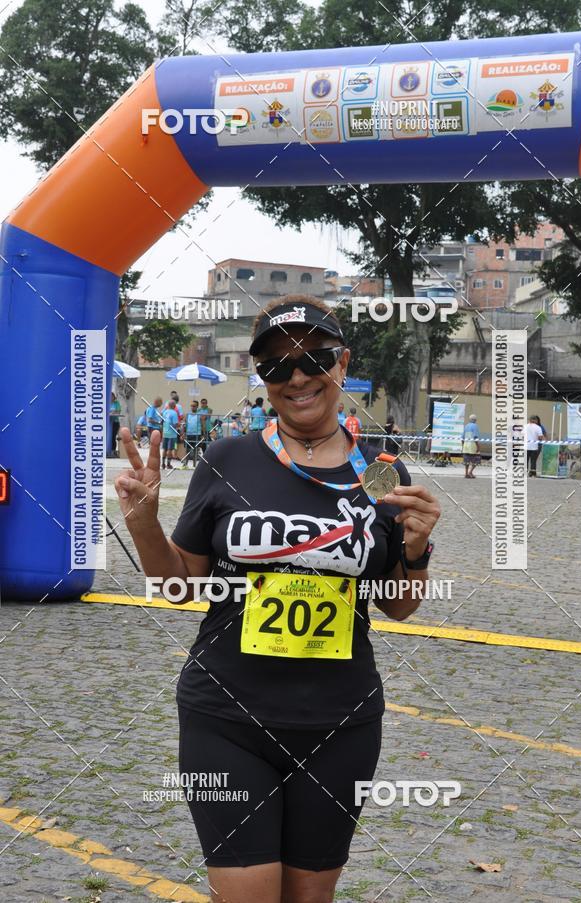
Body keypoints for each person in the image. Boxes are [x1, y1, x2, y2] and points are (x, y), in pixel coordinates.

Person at [115, 294, 440, 903]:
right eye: (275, 365)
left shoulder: (382, 473)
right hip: (226, 719)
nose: (296, 377)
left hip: (339, 724)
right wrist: (142, 522)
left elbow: (398, 604)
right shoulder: (228, 458)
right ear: (261, 377)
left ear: (342, 363)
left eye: (313, 359)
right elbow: (180, 587)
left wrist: (417, 550)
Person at [182, 400, 203, 468]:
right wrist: (183, 433)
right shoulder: (187, 415)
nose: (192, 407)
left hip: (197, 434)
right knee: (187, 450)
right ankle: (185, 464)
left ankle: (194, 465)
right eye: (191, 406)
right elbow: (184, 424)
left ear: (197, 407)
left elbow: (203, 425)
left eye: (194, 406)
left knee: (195, 450)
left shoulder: (199, 415)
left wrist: (203, 434)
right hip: (189, 434)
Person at [161, 399, 180, 470]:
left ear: (168, 405)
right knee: (170, 449)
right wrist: (179, 425)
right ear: (174, 406)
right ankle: (168, 464)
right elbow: (175, 424)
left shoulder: (165, 412)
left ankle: (163, 463)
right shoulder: (174, 413)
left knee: (164, 449)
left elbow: (162, 422)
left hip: (165, 433)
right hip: (172, 434)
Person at [462, 414, 480, 478]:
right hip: (472, 446)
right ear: (475, 420)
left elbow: (462, 437)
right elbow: (475, 437)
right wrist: (478, 446)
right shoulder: (475, 426)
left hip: (466, 446)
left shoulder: (466, 426)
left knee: (466, 461)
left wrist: (463, 445)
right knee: (476, 460)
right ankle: (470, 472)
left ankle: (466, 473)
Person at [109, 392, 122, 456]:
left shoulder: (116, 403)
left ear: (114, 397)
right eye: (110, 396)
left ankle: (113, 450)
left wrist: (112, 412)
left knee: (113, 436)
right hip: (108, 423)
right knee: (108, 436)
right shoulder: (106, 403)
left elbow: (118, 412)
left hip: (115, 422)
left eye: (112, 396)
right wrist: (112, 412)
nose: (111, 397)